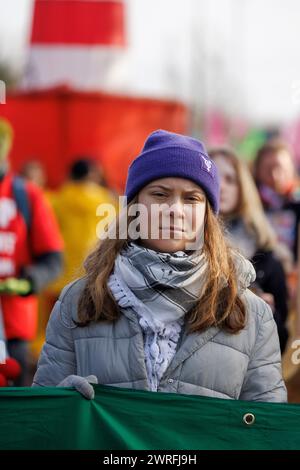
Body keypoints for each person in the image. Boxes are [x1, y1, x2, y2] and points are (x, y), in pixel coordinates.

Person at [33, 130, 287, 402]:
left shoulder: (251, 314)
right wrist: (62, 403)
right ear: (135, 207)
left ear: (206, 215)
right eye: (159, 194)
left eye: (191, 198)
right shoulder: (78, 301)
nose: (175, 209)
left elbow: (264, 428)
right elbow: (40, 424)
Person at [0, 117, 64, 385]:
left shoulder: (26, 195)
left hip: (13, 328)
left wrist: (28, 281)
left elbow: (54, 260)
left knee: (13, 415)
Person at [210, 147, 290, 353]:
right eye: (214, 176)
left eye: (230, 179)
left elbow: (281, 343)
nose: (221, 186)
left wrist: (268, 314)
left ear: (242, 187)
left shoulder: (267, 257)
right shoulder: (180, 245)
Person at [254, 139, 300, 260]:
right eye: (268, 169)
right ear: (258, 171)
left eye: (281, 168)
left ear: (292, 169)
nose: (275, 176)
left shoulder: (297, 201)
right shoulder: (250, 203)